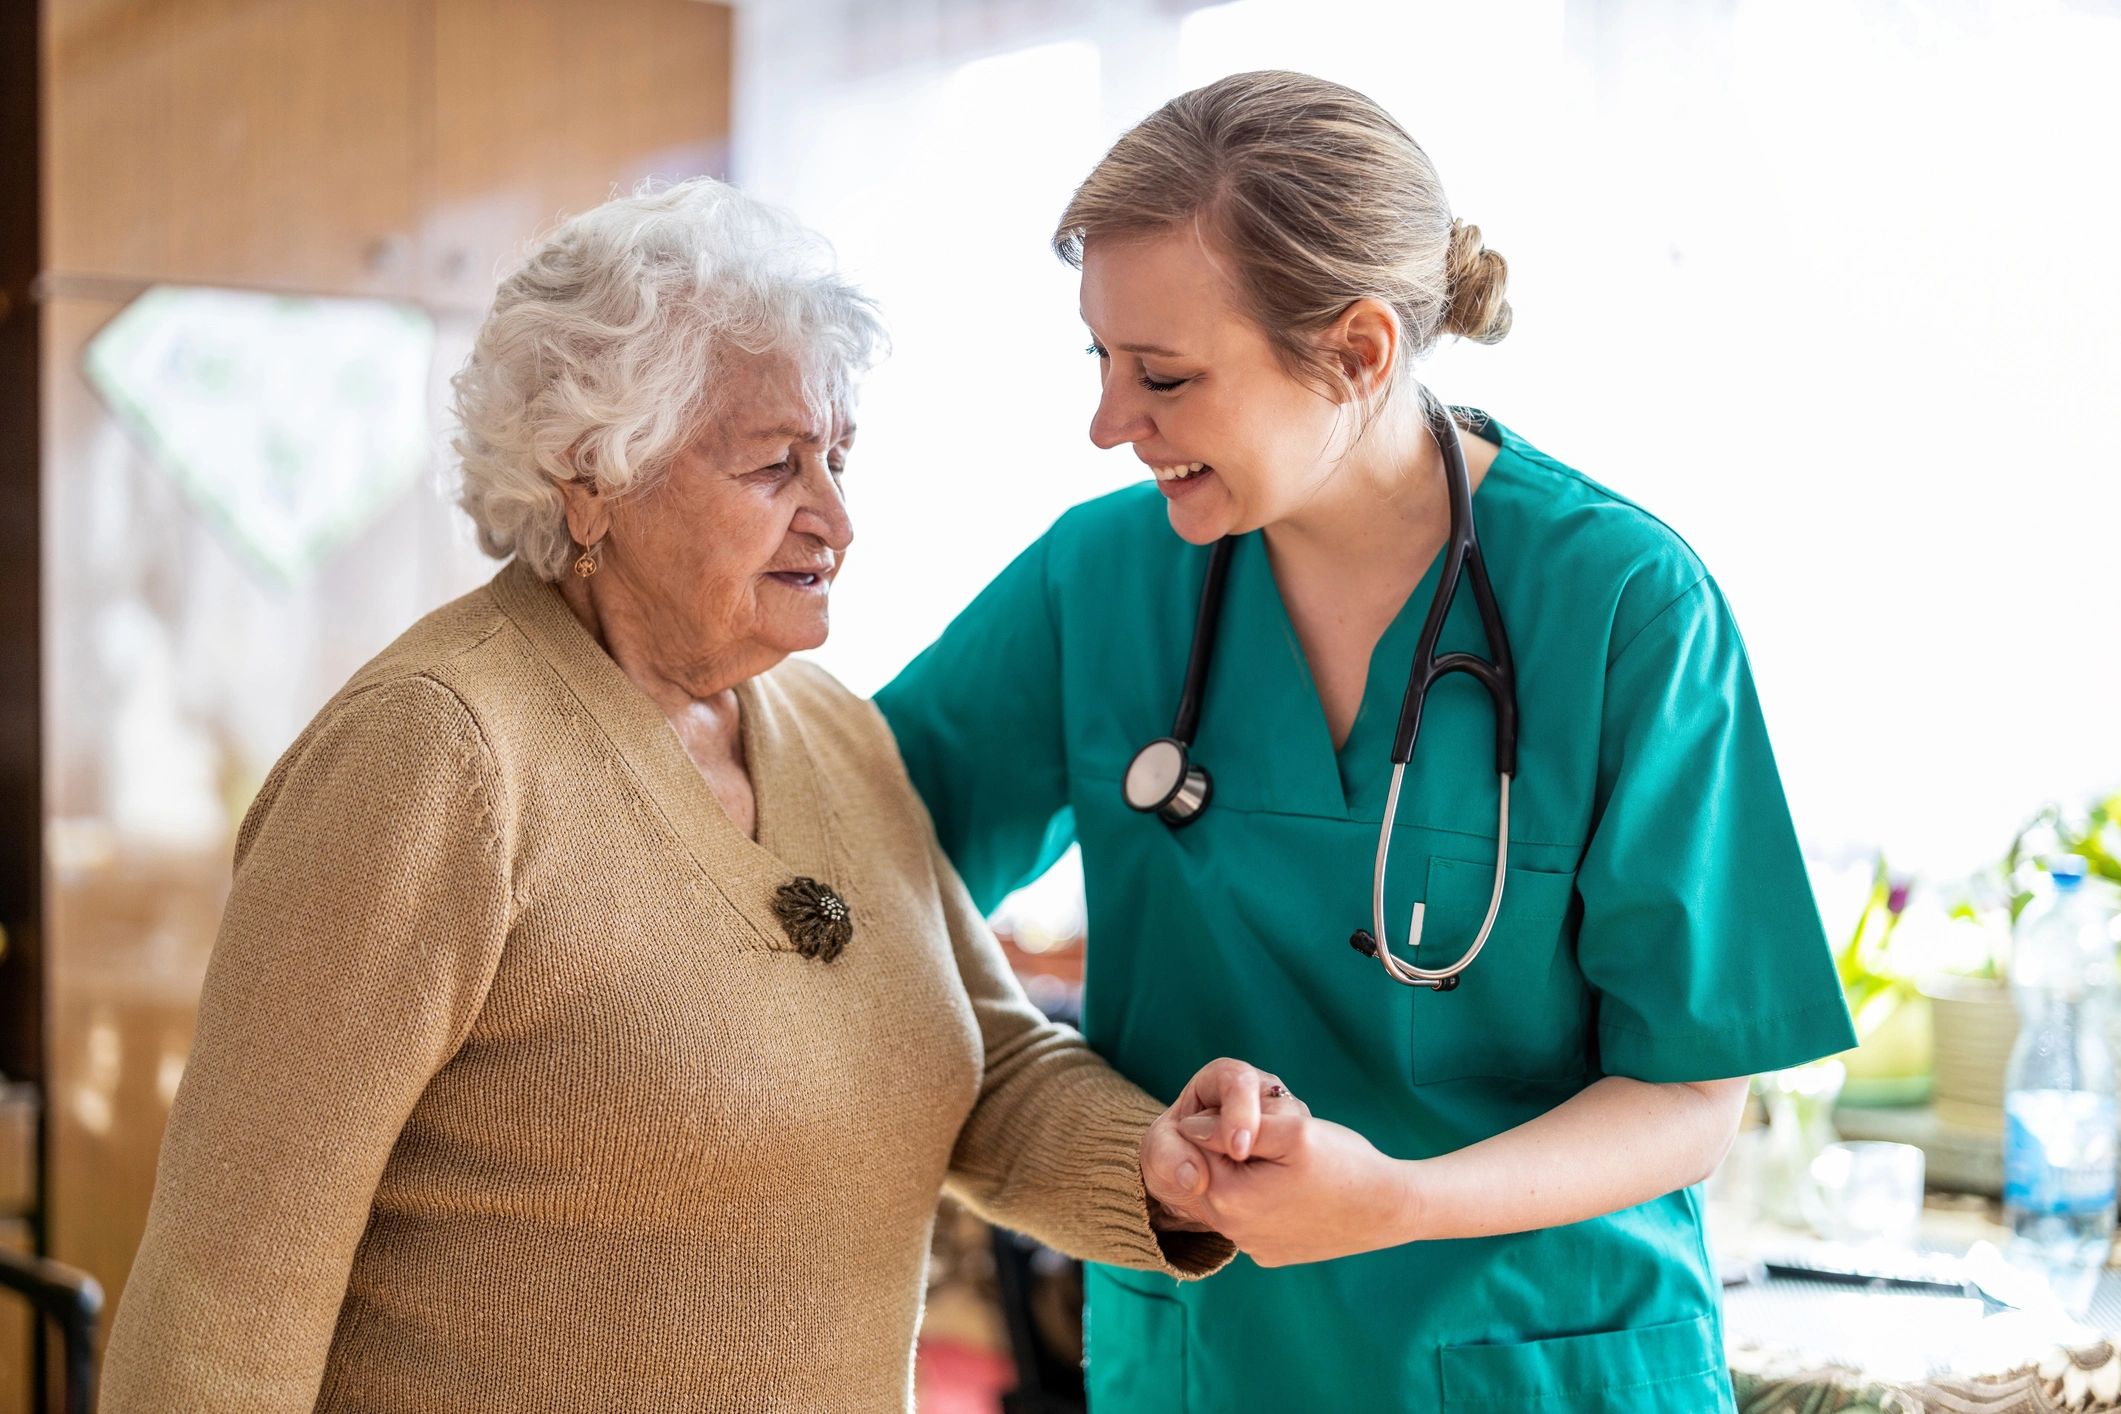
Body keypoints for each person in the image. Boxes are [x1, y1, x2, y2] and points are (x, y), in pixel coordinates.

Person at [97, 178, 1298, 1413]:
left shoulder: (832, 731)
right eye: (776, 464)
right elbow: (228, 1293)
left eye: (837, 457)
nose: (835, 514)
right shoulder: (436, 754)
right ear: (590, 478)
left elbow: (982, 1066)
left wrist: (1155, 1164)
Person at [876, 71, 1857, 1412]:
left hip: (1534, 1358)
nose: (1109, 424)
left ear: (1357, 349)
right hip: (1205, 1358)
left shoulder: (1623, 606)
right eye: (1097, 360)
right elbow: (851, 859)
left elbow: (1690, 1099)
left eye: (1163, 374)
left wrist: (1397, 1199)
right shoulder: (1095, 583)